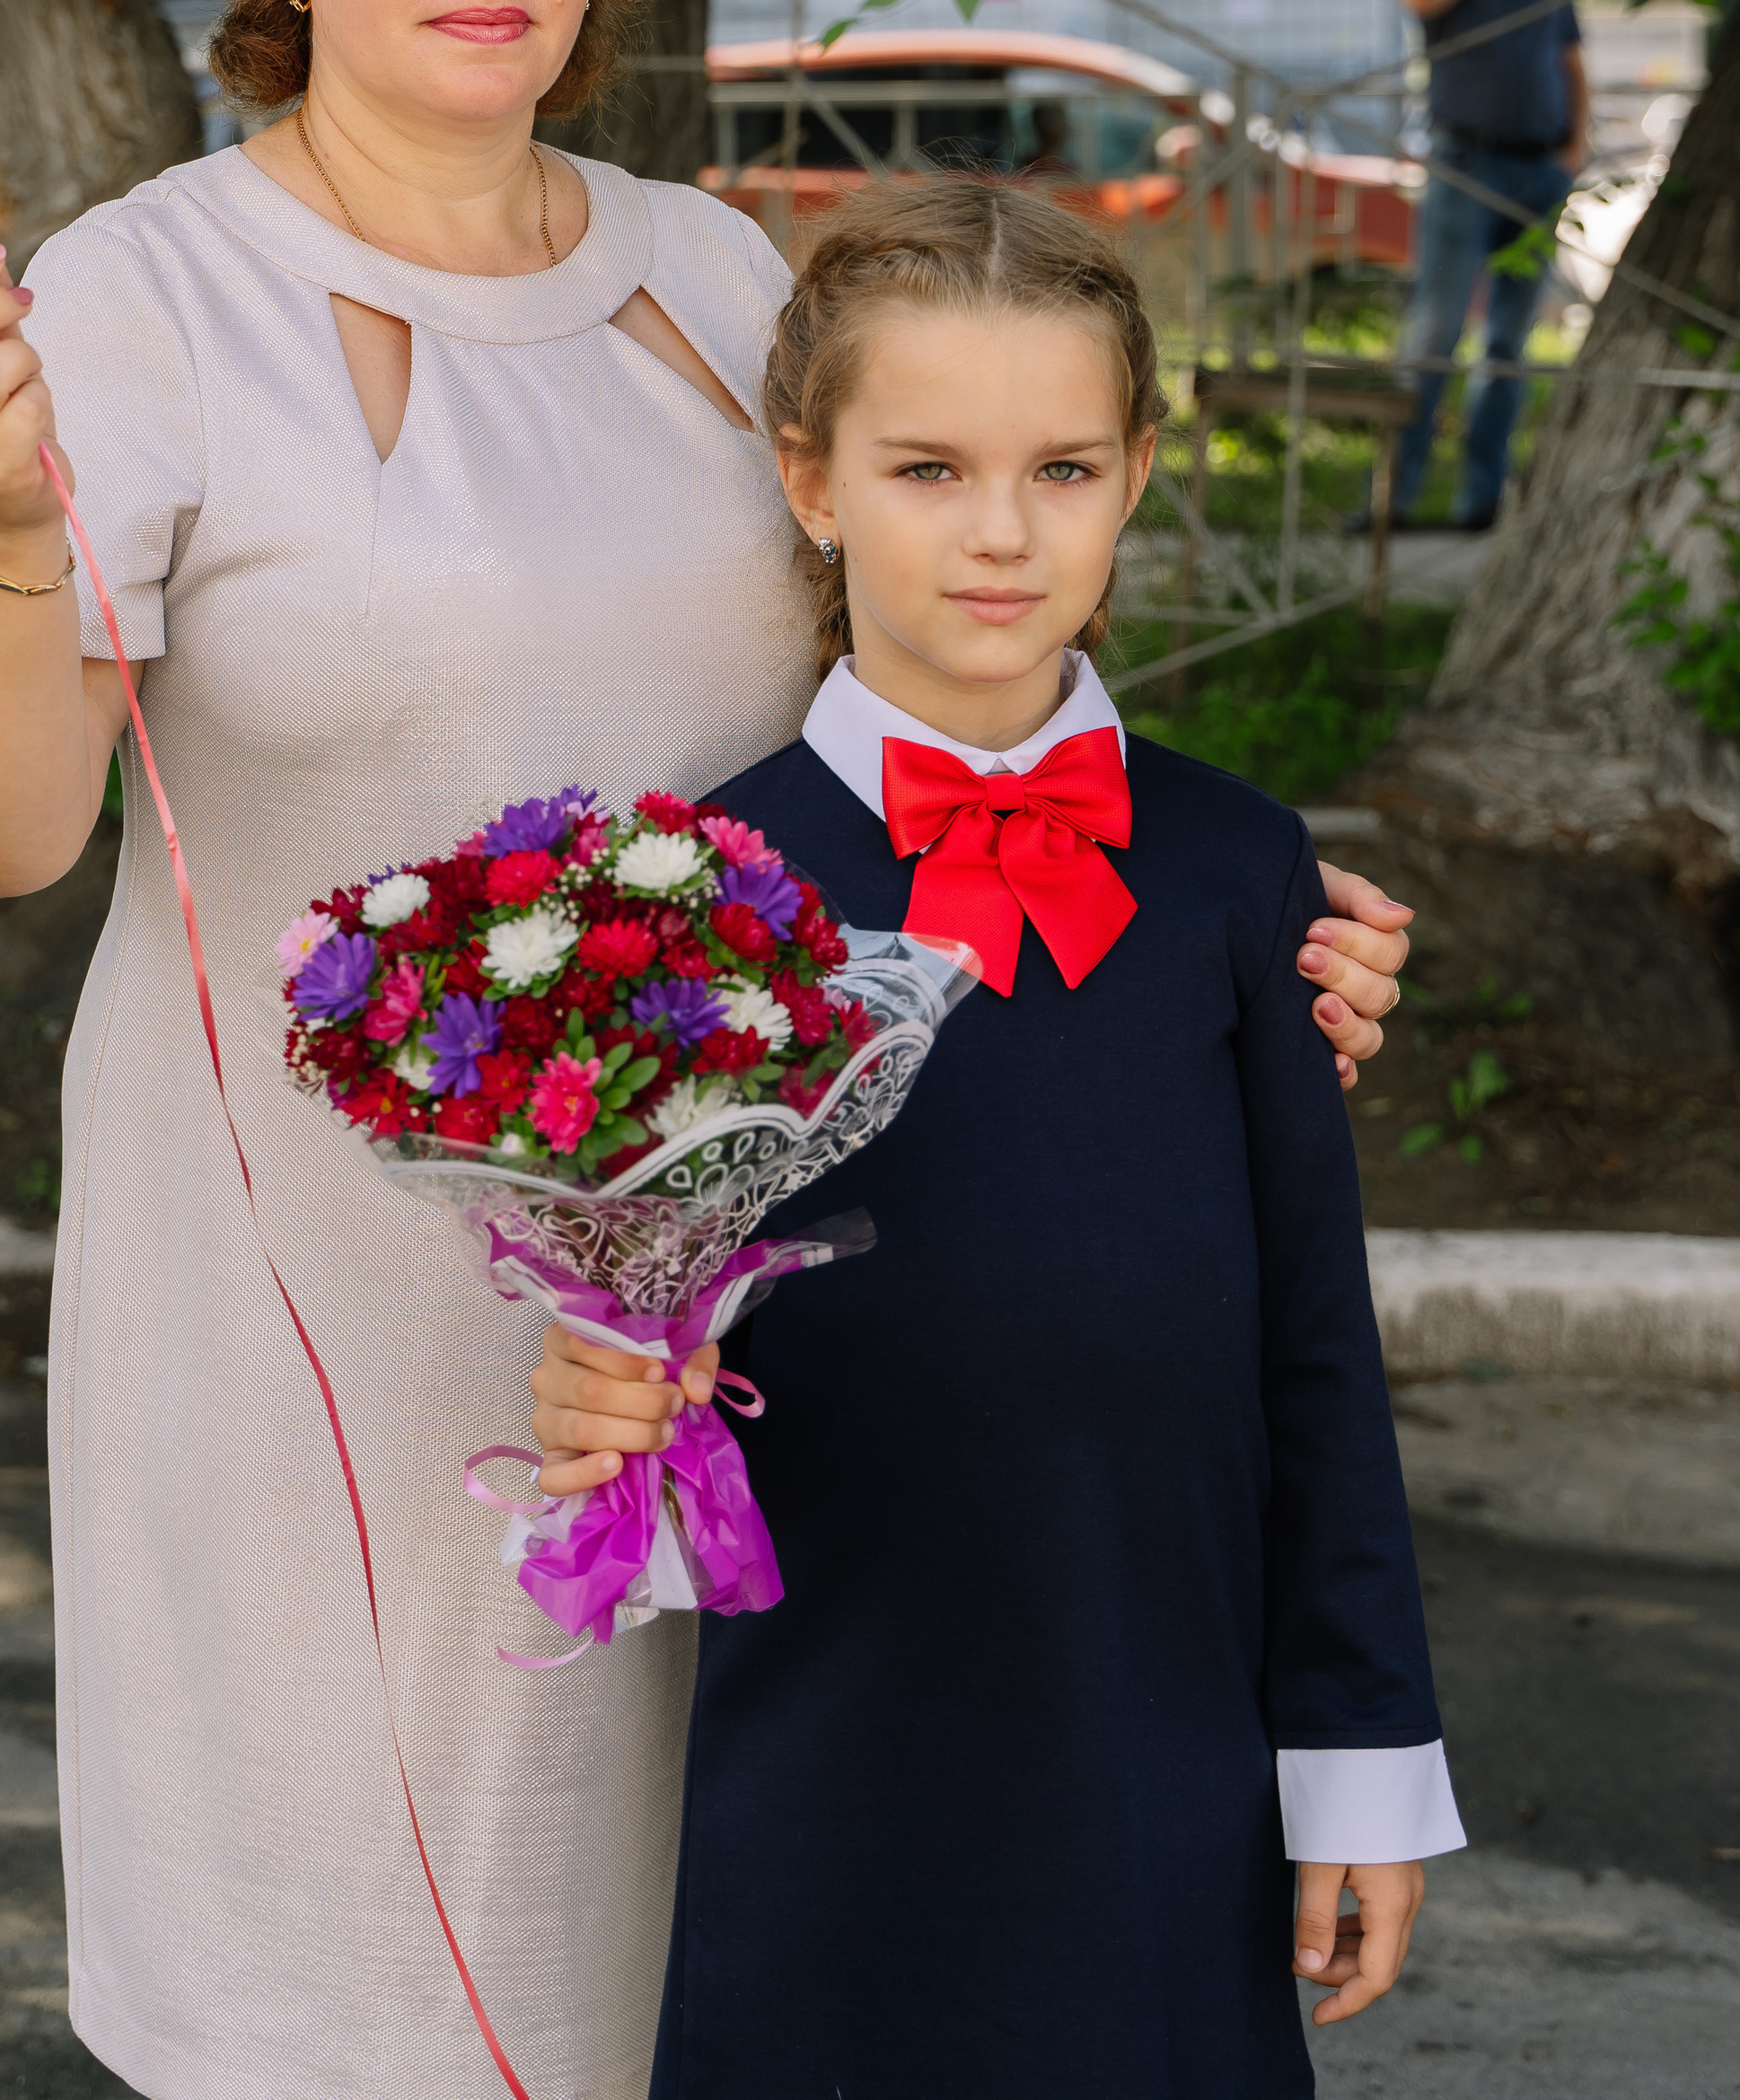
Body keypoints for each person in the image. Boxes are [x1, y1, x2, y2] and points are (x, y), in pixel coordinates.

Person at [0, 0, 1414, 2100]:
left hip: (761, 1332)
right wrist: (5, 528)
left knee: (734, 1970)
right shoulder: (145, 297)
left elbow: (905, 746)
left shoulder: (715, 279)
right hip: (329, 1333)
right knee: (363, 1997)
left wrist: (1211, 960)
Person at [534, 179, 1458, 2100]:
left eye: (1057, 468)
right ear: (809, 480)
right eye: (927, 467)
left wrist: (1357, 1755)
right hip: (834, 1719)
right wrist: (611, 1398)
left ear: (1131, 478)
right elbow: (636, 1329)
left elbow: (1313, 1346)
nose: (996, 532)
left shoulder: (1234, 868)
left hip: (1160, 1714)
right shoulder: (703, 889)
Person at [1382, 0, 1588, 532]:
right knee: (1436, 332)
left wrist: (1573, 150)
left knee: (1508, 342)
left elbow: (1570, 62)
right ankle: (1396, 498)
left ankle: (1482, 498)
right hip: (1463, 164)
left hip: (1539, 169)